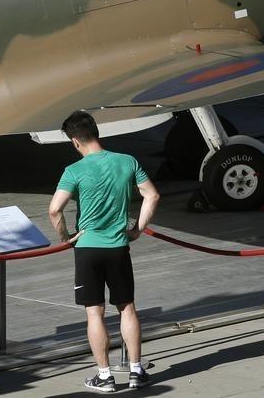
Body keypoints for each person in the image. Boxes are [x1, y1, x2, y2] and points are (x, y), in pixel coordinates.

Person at [48, 111, 160, 392]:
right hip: (119, 246)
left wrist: (66, 238)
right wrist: (138, 229)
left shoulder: (74, 171)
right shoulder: (127, 161)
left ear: (75, 141)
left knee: (94, 313)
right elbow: (152, 195)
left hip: (87, 247)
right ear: (96, 132)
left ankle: (105, 376)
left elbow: (54, 209)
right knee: (127, 307)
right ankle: (136, 371)